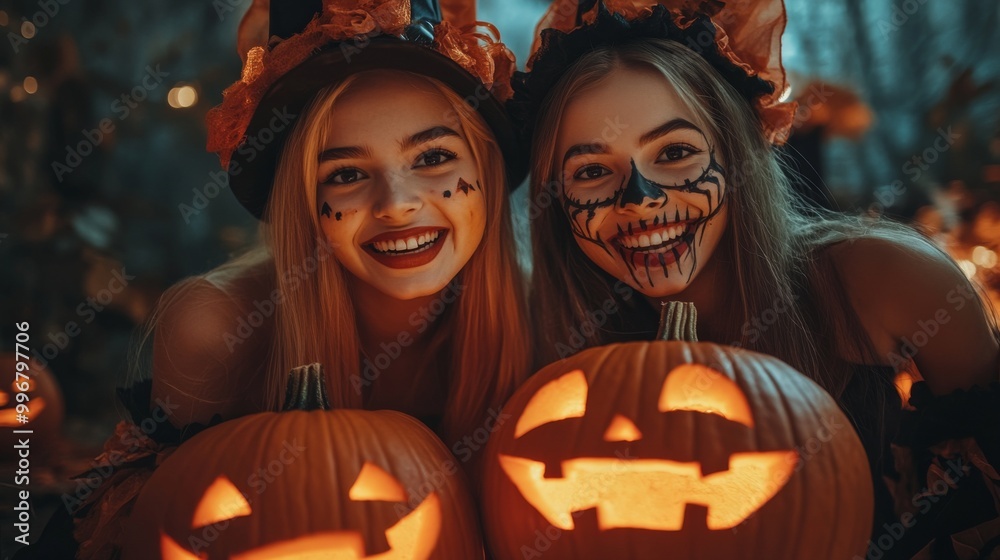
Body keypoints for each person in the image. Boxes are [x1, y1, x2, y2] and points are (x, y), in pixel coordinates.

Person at [18, 1, 532, 557]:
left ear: (486, 165)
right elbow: (176, 532)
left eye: (433, 157)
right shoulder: (215, 329)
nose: (397, 206)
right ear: (302, 201)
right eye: (347, 174)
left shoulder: (541, 321)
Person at [512, 0, 1000, 557]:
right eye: (593, 171)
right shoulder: (552, 353)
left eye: (675, 152)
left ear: (737, 152)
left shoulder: (889, 284)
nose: (640, 202)